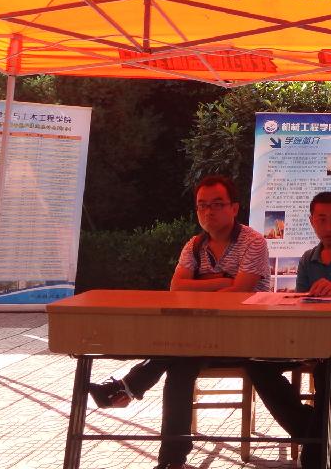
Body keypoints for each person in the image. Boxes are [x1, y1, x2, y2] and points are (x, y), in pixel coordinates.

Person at [89, 175, 274, 469]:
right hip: (198, 338)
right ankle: (171, 461)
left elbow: (240, 292)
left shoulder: (253, 242)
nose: (209, 211)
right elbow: (176, 287)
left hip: (244, 336)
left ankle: (127, 389)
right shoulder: (194, 246)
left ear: (234, 207)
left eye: (217, 204)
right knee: (180, 365)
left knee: (178, 352)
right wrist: (222, 280)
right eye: (202, 205)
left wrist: (205, 286)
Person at [248, 191, 331, 469]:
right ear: (311, 221)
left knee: (329, 371)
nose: (329, 226)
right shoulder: (308, 258)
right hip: (308, 336)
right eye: (322, 219)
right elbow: (301, 302)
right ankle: (314, 435)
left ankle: (315, 456)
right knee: (257, 364)